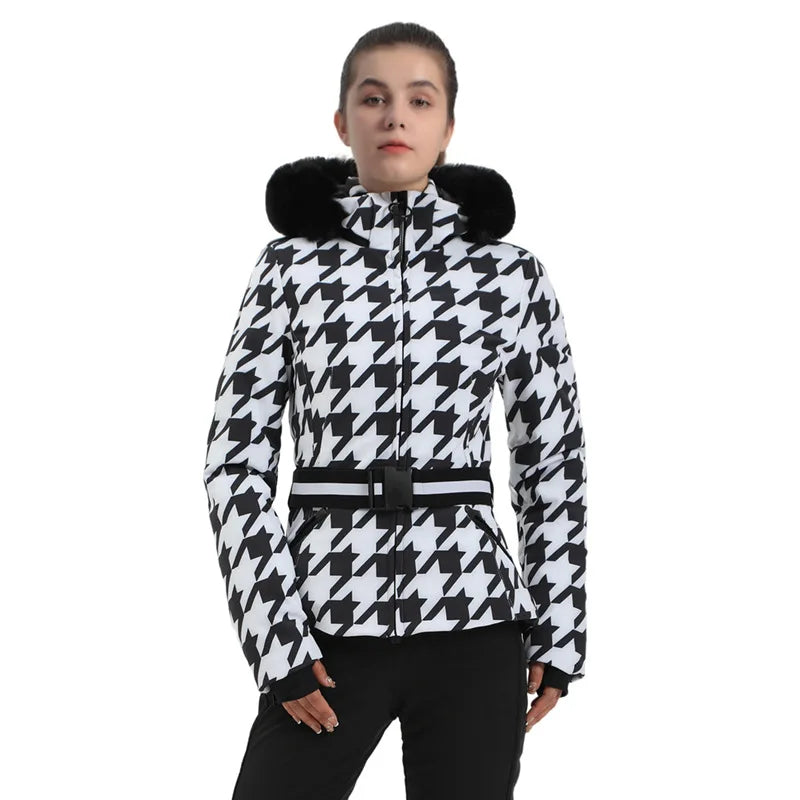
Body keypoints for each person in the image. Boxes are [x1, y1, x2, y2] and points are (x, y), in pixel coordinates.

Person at [202, 21, 587, 800]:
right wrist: (277, 638)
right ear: (342, 122)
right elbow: (235, 465)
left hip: (475, 620)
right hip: (325, 622)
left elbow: (552, 461)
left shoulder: (510, 276)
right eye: (373, 98)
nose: (395, 117)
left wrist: (560, 627)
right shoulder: (289, 269)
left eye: (420, 99)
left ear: (448, 127)